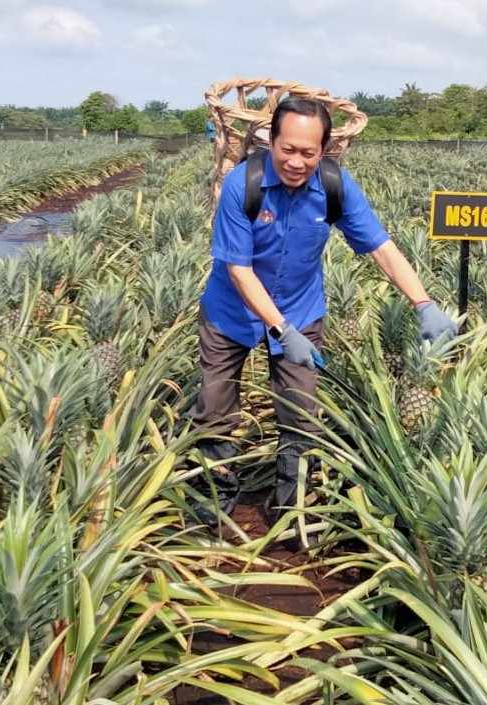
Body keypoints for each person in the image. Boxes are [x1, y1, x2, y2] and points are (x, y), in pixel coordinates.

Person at [190, 96, 456, 521]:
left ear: (324, 150)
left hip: (300, 308)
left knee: (301, 412)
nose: (297, 161)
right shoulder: (243, 184)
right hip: (231, 313)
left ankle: (290, 506)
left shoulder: (335, 186)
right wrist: (279, 329)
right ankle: (215, 494)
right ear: (272, 143)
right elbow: (239, 270)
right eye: (288, 149)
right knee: (215, 407)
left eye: (308, 152)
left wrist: (423, 302)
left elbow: (381, 248)